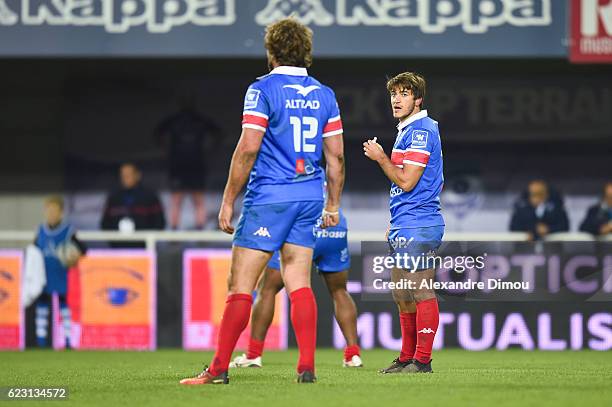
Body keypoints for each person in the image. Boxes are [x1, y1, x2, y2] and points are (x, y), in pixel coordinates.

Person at [180, 17, 345, 385]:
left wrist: (227, 200)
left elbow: (248, 147)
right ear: (306, 51)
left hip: (270, 196)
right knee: (299, 280)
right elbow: (335, 159)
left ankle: (219, 369)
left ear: (271, 51)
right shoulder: (325, 94)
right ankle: (306, 367)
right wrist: (332, 204)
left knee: (240, 285)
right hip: (309, 197)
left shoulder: (263, 89)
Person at [363, 72, 444, 374]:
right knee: (401, 291)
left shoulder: (421, 130)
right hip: (405, 222)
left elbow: (408, 181)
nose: (397, 99)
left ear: (418, 99)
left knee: (421, 289)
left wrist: (382, 158)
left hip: (420, 222)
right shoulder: (407, 129)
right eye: (394, 93)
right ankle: (407, 357)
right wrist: (395, 220)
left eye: (405, 93)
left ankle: (422, 360)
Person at [229, 209, 361, 369]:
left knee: (267, 289)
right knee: (339, 291)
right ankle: (353, 355)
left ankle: (253, 355)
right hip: (334, 223)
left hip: (304, 222)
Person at [155, 94, 221, 229]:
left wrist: (210, 149)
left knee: (194, 200)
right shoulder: (177, 120)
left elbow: (218, 134)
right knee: (178, 200)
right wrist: (165, 149)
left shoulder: (198, 120)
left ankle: (198, 232)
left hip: (191, 165)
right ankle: (176, 232)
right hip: (182, 165)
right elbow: (157, 133)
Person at [33, 196, 86, 348]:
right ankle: (41, 340)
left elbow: (83, 248)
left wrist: (73, 255)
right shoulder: (41, 231)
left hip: (61, 273)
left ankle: (68, 339)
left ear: (61, 213)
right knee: (42, 304)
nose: (51, 214)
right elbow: (34, 250)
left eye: (55, 210)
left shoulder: (68, 231)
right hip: (44, 274)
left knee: (64, 304)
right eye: (49, 210)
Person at [100, 163, 166, 247]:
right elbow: (105, 224)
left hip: (143, 249)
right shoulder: (113, 197)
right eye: (123, 175)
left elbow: (159, 223)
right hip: (118, 249)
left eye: (128, 174)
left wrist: (146, 240)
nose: (125, 178)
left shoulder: (150, 196)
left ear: (137, 175)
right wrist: (114, 240)